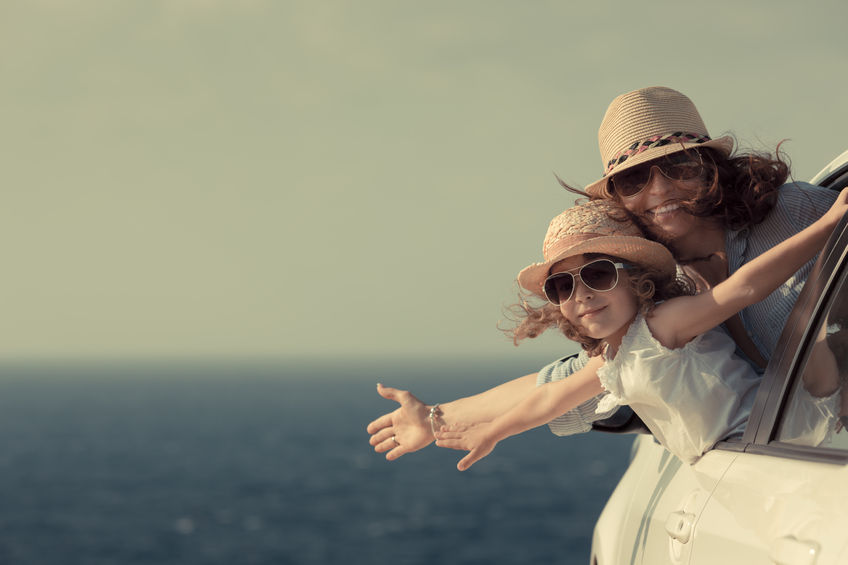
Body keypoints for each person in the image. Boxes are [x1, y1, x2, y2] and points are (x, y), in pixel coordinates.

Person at [366, 86, 838, 460]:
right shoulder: (649, 296)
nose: (658, 190)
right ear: (616, 197)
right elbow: (560, 386)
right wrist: (435, 418)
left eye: (676, 165)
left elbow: (749, 285)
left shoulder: (795, 212)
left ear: (710, 166)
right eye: (634, 179)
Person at [434, 195, 847, 470]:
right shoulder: (609, 361)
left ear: (637, 279)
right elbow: (548, 397)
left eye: (597, 274)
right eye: (562, 286)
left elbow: (745, 288)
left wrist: (829, 225)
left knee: (808, 332)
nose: (582, 295)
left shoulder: (663, 325)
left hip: (791, 434)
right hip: (739, 461)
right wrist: (493, 431)